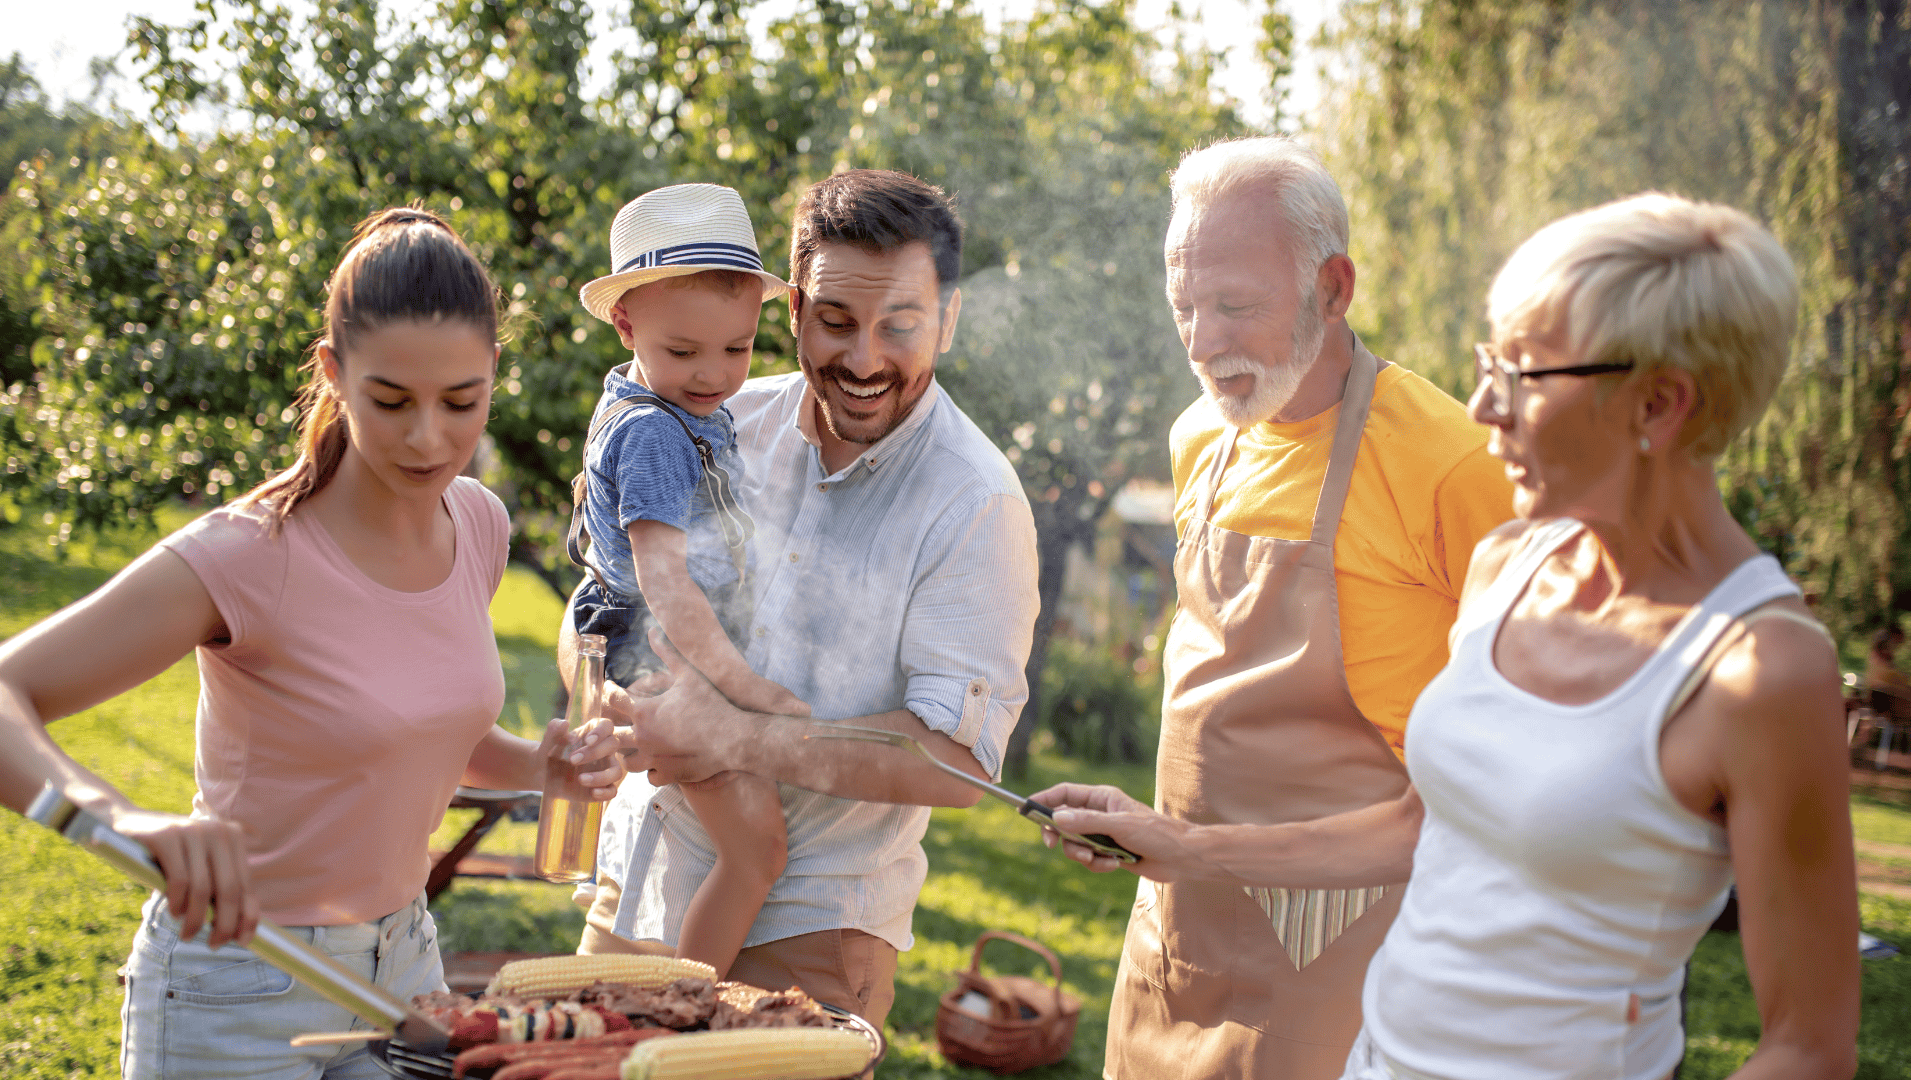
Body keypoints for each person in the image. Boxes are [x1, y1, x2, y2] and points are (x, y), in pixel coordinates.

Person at [1038, 193, 1861, 1079]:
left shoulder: (1761, 670)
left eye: (1522, 377)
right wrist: (1183, 846)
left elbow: (1807, 1048)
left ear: (1658, 406)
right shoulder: (1509, 565)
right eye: (1487, 364)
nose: (1480, 407)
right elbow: (1423, 822)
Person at [0, 208, 625, 1079]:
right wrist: (122, 819)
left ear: (492, 377)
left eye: (462, 402)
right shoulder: (246, 554)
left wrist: (537, 767)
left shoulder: (478, 523)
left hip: (405, 967)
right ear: (335, 371)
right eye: (391, 401)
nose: (429, 438)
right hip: (243, 979)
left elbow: (417, 724)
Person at [1024, 137, 1516, 1078]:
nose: (1204, 343)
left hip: (1351, 965)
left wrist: (1186, 846)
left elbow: (1490, 802)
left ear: (1333, 289)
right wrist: (1161, 837)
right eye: (1184, 308)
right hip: (1173, 937)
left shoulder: (1453, 466)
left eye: (1236, 307)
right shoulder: (1200, 437)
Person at [565, 169, 1039, 1030]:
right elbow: (601, 591)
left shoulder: (976, 504)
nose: (863, 360)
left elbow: (959, 764)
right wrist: (605, 687)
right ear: (789, 313)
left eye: (900, 325)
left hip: (809, 933)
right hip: (640, 883)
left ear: (950, 317)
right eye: (836, 322)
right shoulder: (711, 414)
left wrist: (734, 735)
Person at [565, 183, 809, 978]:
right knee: (756, 852)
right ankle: (688, 1008)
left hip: (659, 641)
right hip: (658, 647)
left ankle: (672, 987)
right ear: (627, 324)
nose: (713, 374)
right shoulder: (655, 435)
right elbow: (663, 578)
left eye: (736, 349)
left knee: (745, 849)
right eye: (684, 352)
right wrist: (741, 685)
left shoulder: (666, 407)